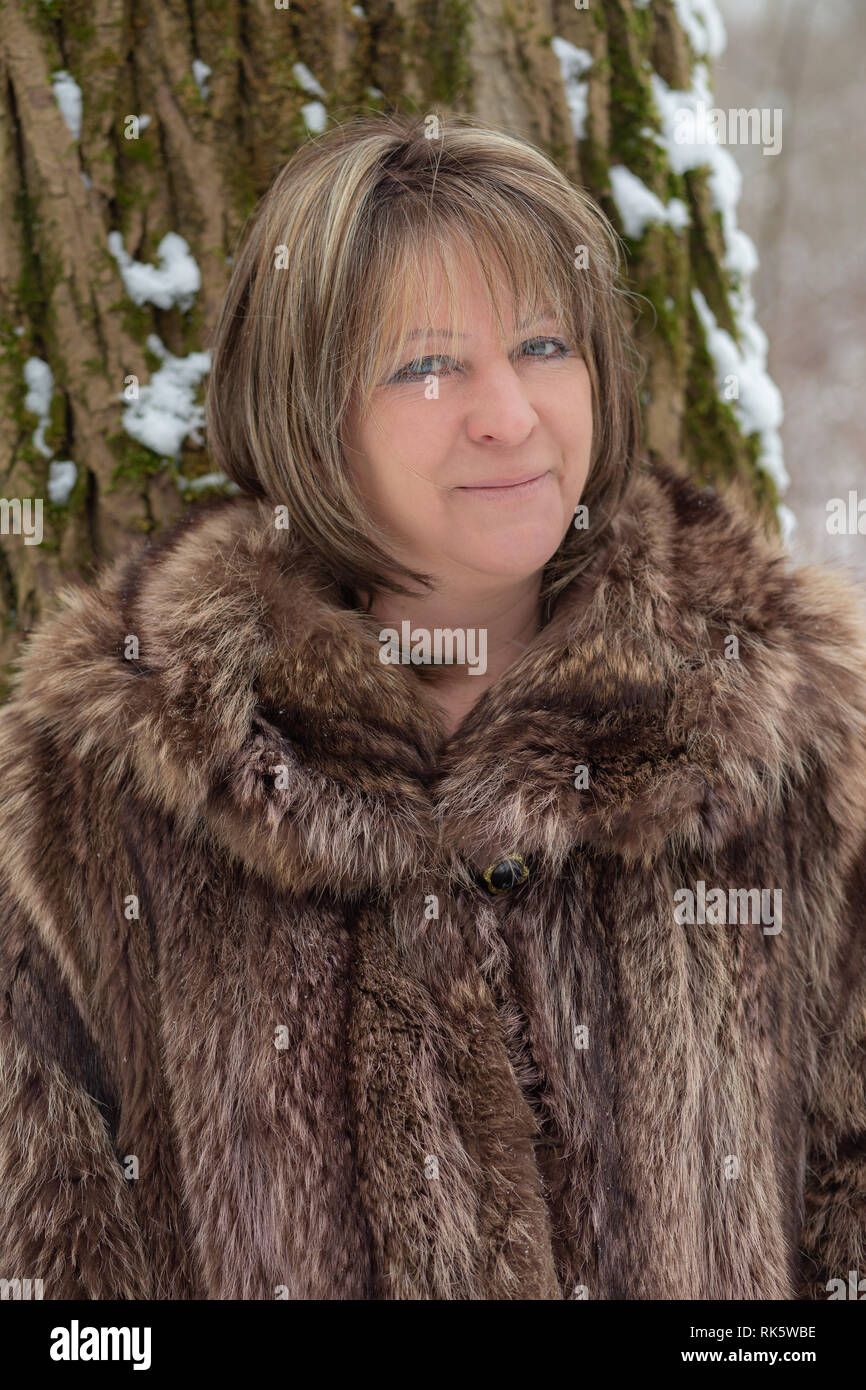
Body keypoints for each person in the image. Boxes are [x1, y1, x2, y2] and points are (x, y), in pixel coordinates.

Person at [1, 110, 865, 1301]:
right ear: (306, 415)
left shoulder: (795, 731)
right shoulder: (102, 774)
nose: (507, 414)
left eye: (544, 346)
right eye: (424, 364)